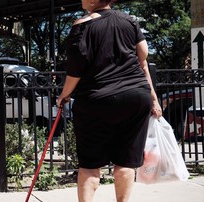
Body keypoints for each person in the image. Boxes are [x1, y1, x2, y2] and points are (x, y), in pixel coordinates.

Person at [56, 0, 163, 202]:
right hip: (136, 96)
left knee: (89, 165)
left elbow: (75, 69)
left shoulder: (82, 26)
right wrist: (154, 99)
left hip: (97, 99)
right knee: (126, 162)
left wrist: (64, 95)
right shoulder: (129, 21)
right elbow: (143, 60)